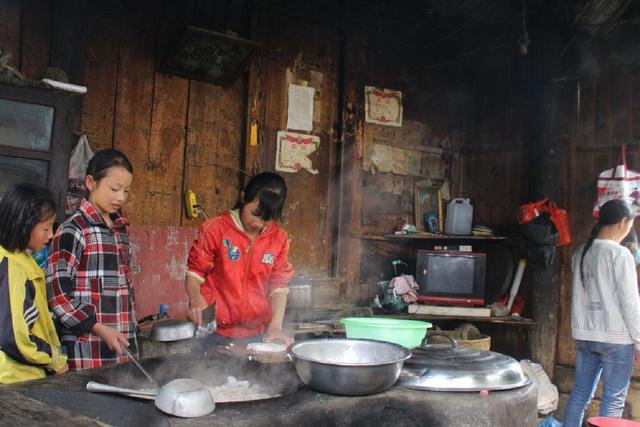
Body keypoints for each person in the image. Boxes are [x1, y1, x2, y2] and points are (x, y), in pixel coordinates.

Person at [46, 149, 137, 370]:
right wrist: (97, 327)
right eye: (114, 189)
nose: (121, 198)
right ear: (90, 182)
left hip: (123, 347)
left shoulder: (120, 229)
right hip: (87, 351)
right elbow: (57, 297)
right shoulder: (73, 230)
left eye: (126, 191)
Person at [185, 172, 294, 352]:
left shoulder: (278, 239)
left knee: (247, 380)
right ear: (243, 198)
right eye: (255, 213)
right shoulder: (216, 228)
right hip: (212, 333)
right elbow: (194, 274)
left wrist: (275, 327)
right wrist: (196, 298)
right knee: (206, 378)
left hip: (255, 334)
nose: (258, 223)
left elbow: (279, 286)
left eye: (266, 219)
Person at [563, 199, 640, 426]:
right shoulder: (620, 255)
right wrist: (639, 341)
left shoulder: (580, 253)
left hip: (586, 336)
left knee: (579, 395)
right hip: (616, 339)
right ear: (623, 222)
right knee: (613, 401)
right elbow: (630, 303)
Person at [0, 184, 68, 383]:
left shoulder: (20, 259)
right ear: (23, 225)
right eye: (45, 228)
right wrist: (53, 359)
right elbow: (14, 337)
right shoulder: (13, 268)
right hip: (15, 379)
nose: (51, 235)